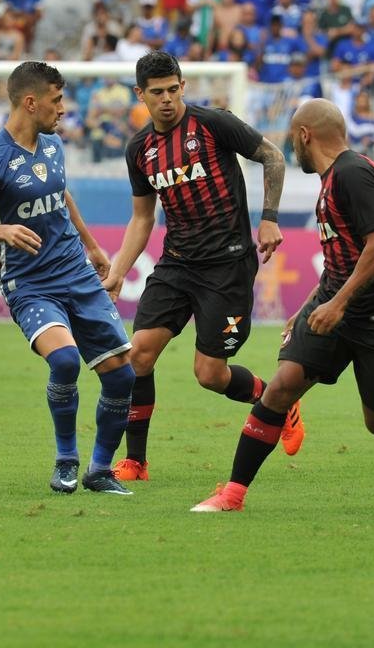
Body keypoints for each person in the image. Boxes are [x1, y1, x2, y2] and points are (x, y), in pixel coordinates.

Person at [191, 99, 374, 512]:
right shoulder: (334, 180)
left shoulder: (352, 174)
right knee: (281, 387)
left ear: (304, 135)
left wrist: (338, 303)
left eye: (293, 140)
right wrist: (312, 303)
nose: (293, 149)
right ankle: (233, 494)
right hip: (339, 309)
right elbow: (343, 260)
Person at [99, 51, 304, 483]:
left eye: (173, 89)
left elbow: (273, 156)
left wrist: (269, 217)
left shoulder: (213, 124)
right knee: (138, 355)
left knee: (209, 375)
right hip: (177, 264)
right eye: (157, 92)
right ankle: (135, 462)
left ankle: (276, 399)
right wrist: (117, 271)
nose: (167, 99)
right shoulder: (139, 149)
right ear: (140, 95)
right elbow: (142, 218)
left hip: (227, 266)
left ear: (183, 86)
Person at [0, 61, 136, 496]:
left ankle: (100, 470)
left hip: (76, 271)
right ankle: (66, 461)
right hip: (31, 283)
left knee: (121, 375)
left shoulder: (54, 145)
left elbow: (61, 194)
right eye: (56, 100)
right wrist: (3, 231)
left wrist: (92, 245)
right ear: (30, 102)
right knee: (65, 361)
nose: (63, 109)